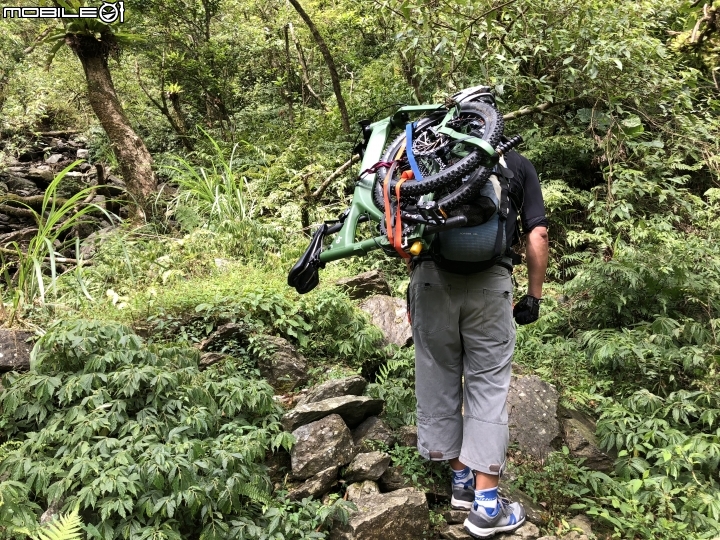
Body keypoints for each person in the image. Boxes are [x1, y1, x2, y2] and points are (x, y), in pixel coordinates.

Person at [408, 148, 549, 538]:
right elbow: (537, 231)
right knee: (487, 386)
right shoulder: (516, 164)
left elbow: (410, 230)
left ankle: (460, 481)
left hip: (431, 281)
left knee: (437, 376)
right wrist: (534, 295)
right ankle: (487, 506)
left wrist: (416, 289)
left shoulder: (433, 162)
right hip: (491, 284)